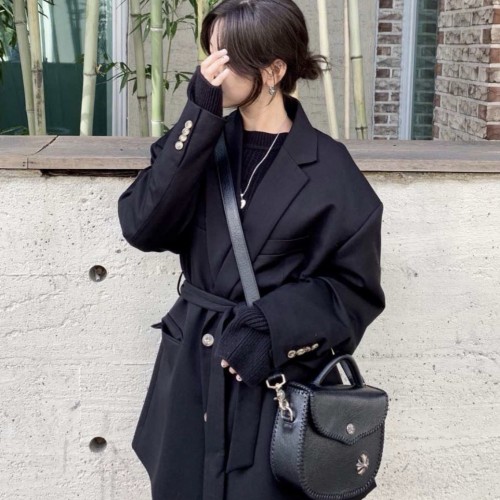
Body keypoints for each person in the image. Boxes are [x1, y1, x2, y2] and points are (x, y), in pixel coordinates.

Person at [117, 0, 386, 498]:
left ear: (273, 71)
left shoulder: (329, 169)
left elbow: (354, 290)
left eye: (225, 57)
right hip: (190, 377)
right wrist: (198, 115)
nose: (209, 68)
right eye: (209, 53)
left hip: (266, 384)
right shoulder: (198, 143)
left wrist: (273, 328)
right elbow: (141, 226)